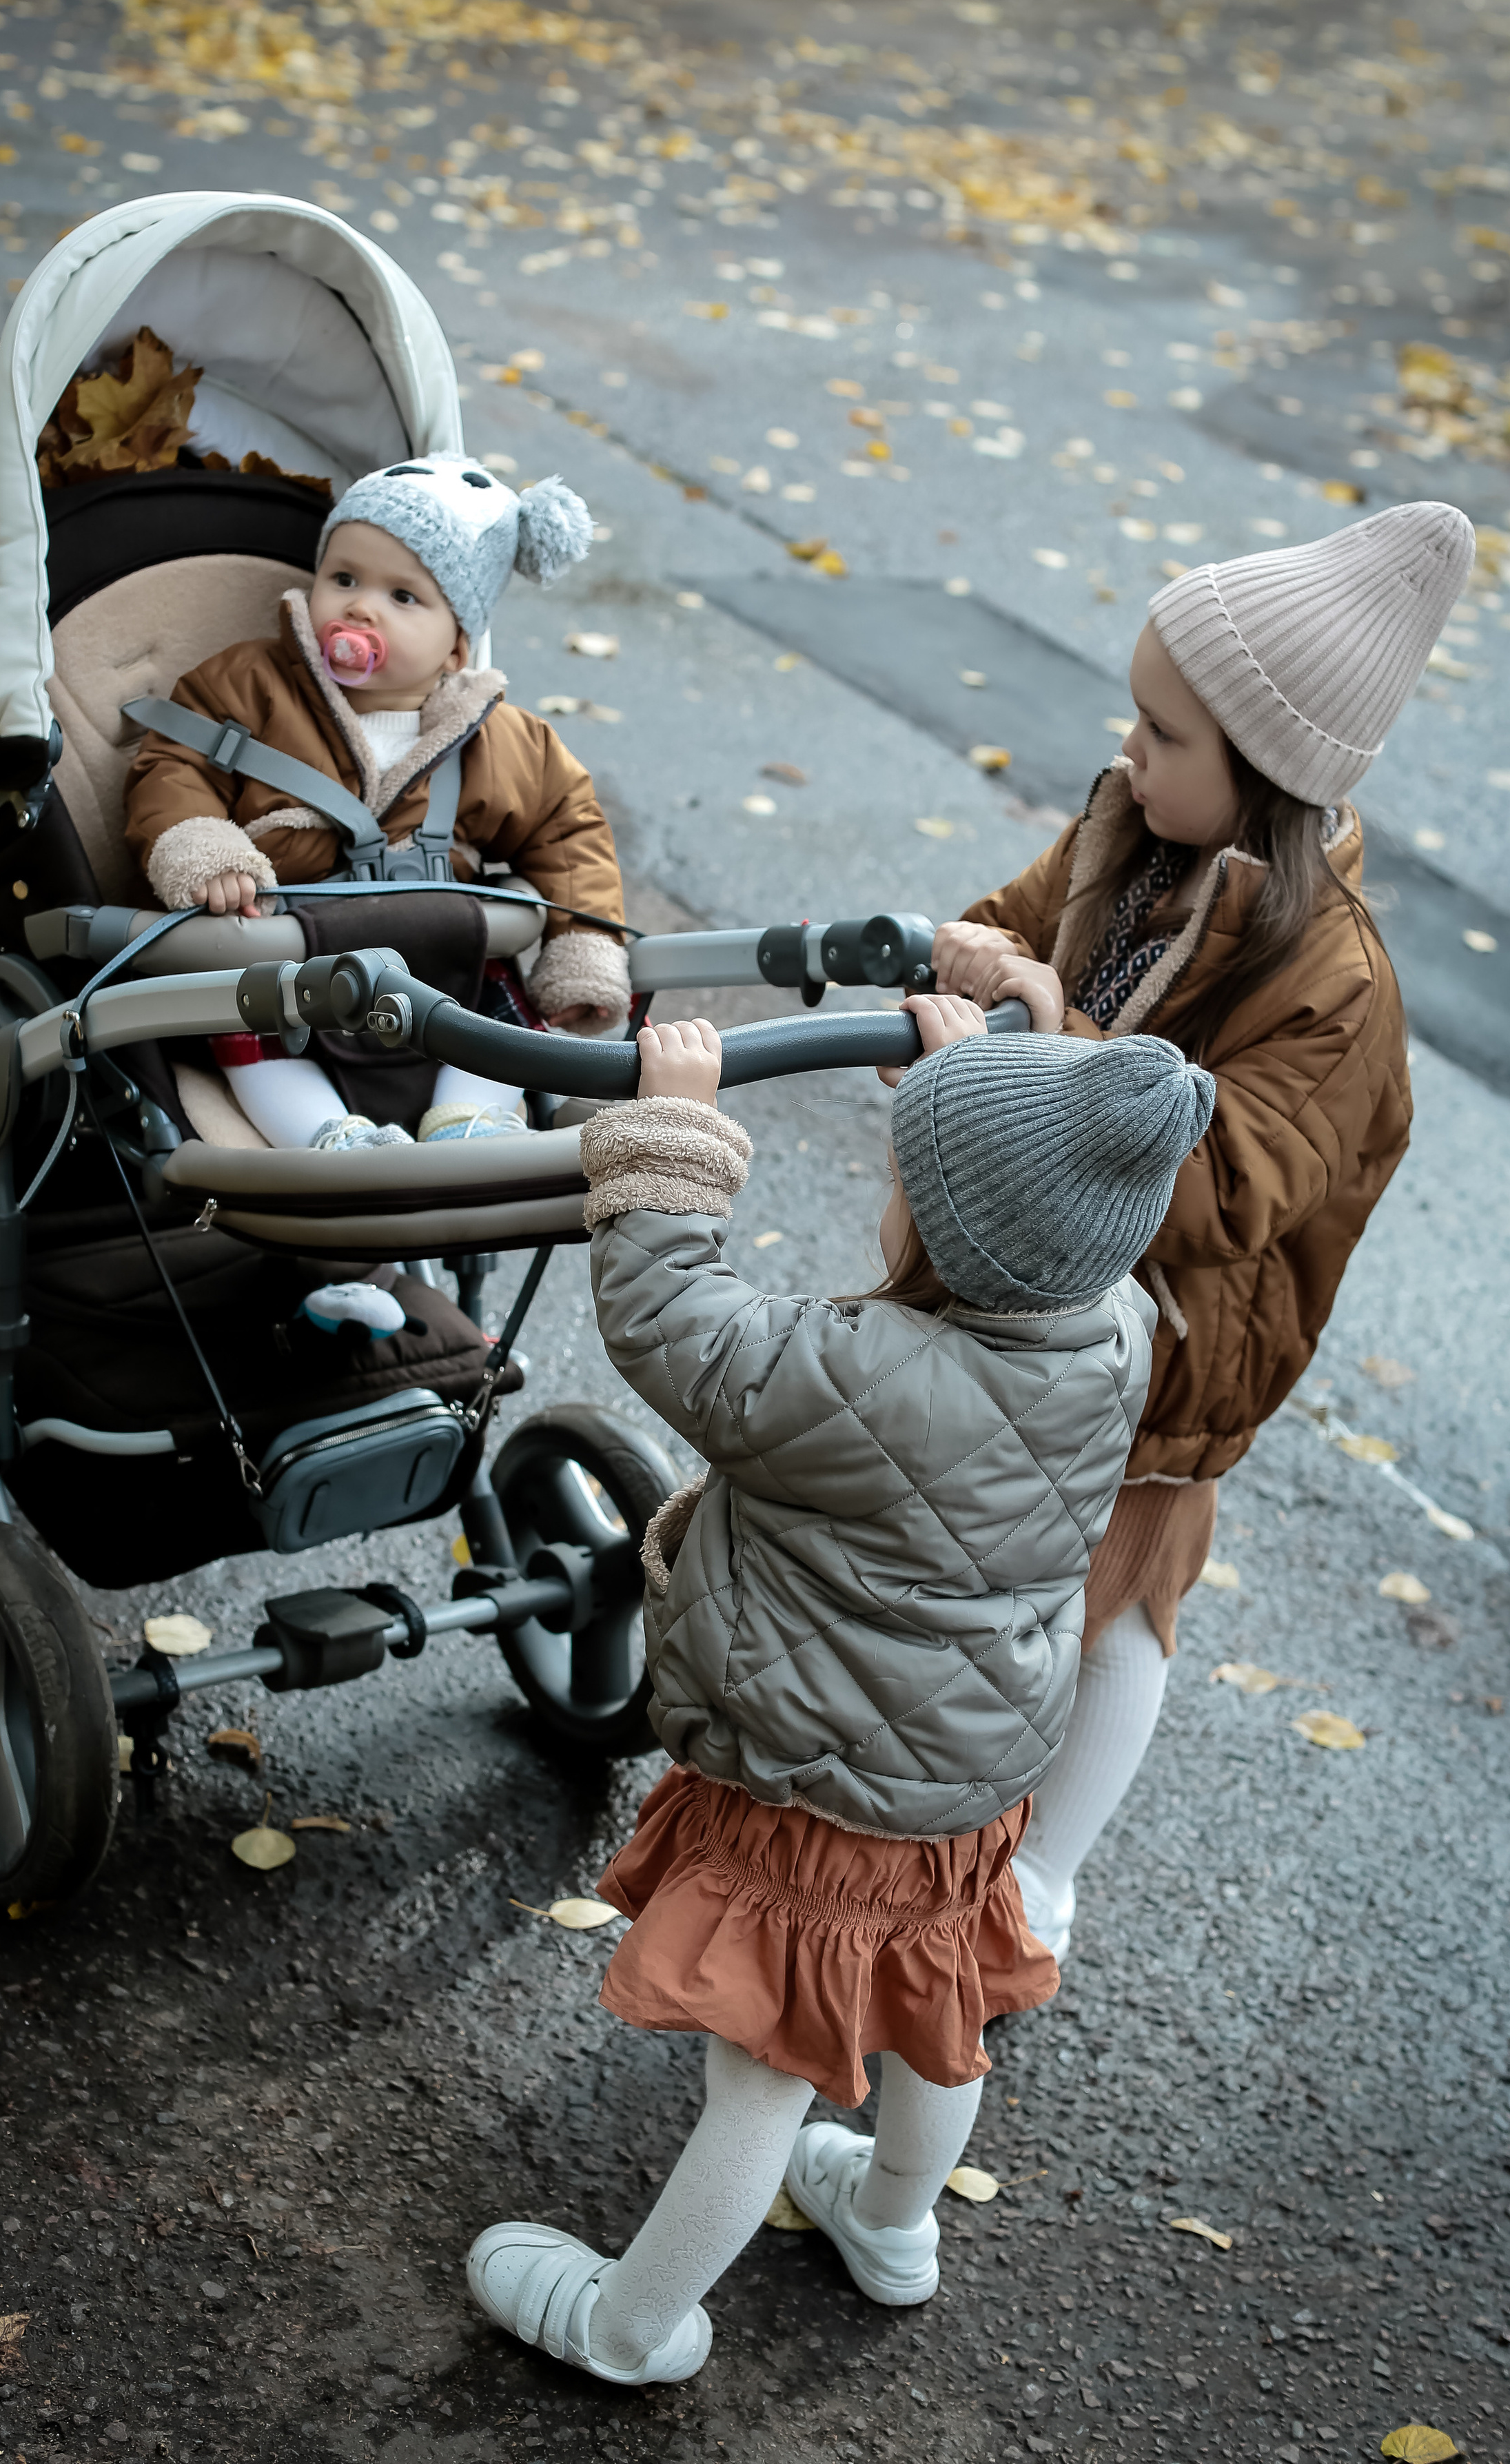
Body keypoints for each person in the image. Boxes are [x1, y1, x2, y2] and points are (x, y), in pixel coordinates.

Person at [465, 997, 1214, 2384]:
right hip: (968, 1780)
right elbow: (1020, 1210)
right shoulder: (1111, 1330)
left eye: (900, 1186)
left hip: (823, 1792)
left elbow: (673, 1323)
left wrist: (674, 1144)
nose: (886, 1201)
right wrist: (981, 1104)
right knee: (938, 2023)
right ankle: (888, 2223)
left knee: (758, 2074)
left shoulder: (867, 1374)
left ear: (945, 1239)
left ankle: (631, 2328)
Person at [924, 499, 1474, 1959]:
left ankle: (1037, 1886)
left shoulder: (1331, 981)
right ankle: (962, 1844)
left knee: (1111, 1601)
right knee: (1002, 1571)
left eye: (1163, 737)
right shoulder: (1130, 844)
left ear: (1265, 776)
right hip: (1038, 1275)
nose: (1127, 754)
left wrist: (1048, 1039)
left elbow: (1223, 1184)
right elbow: (1012, 924)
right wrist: (958, 959)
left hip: (1170, 1348)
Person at [123, 453, 632, 1148]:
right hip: (287, 967)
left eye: (403, 597)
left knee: (502, 1016)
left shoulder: (504, 740)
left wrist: (583, 943)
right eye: (343, 578)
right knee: (245, 1031)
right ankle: (328, 1135)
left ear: (457, 646)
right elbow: (172, 766)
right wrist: (206, 849)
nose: (359, 606)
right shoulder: (246, 685)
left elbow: (569, 832)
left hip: (440, 964)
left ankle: (468, 1122)